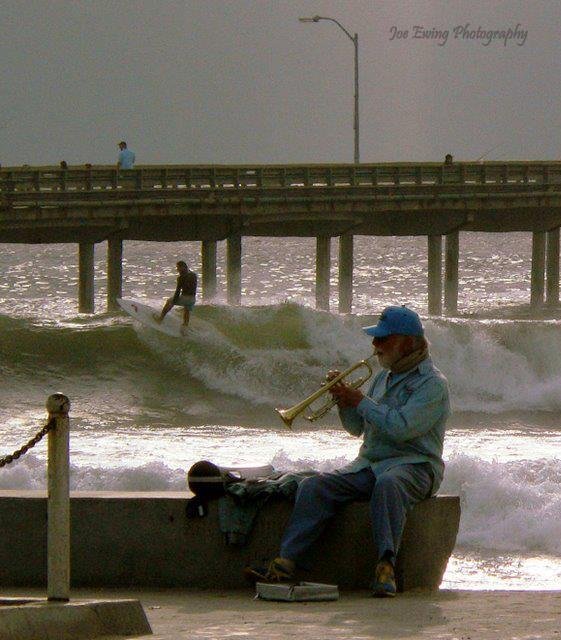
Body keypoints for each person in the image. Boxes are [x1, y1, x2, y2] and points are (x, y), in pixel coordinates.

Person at [247, 305, 450, 597]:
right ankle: (286, 562)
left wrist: (361, 401)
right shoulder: (383, 377)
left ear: (406, 343)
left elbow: (403, 427)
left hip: (416, 466)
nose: (375, 346)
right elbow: (359, 428)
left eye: (383, 340)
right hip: (371, 464)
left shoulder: (433, 385)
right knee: (314, 487)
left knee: (389, 485)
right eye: (375, 339)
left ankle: (386, 566)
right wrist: (344, 400)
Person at [156, 261, 197, 333]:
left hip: (185, 297)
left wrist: (173, 302)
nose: (177, 269)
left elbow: (177, 291)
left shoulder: (181, 277)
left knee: (169, 301)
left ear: (183, 267)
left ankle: (160, 319)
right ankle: (184, 328)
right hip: (192, 299)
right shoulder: (193, 275)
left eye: (178, 268)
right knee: (187, 311)